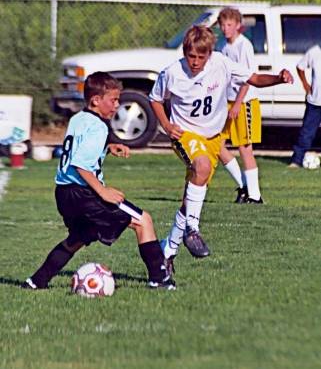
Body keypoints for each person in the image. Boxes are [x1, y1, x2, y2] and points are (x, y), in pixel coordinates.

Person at [149, 25, 293, 268]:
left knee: (189, 200)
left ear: (210, 54)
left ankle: (167, 251)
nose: (194, 62)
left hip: (213, 139)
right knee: (202, 166)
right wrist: (166, 124)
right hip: (186, 135)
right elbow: (154, 98)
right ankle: (192, 230)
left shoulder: (221, 63)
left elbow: (253, 78)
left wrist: (278, 78)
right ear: (184, 52)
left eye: (200, 57)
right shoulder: (172, 73)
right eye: (190, 56)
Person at [21, 71, 175, 291]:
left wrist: (107, 148)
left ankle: (36, 281)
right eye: (113, 100)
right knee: (143, 220)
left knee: (78, 239)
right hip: (84, 194)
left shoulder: (78, 118)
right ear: (96, 100)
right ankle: (159, 279)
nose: (117, 105)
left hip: (64, 193)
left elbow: (78, 149)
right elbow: (80, 164)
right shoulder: (99, 126)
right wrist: (102, 191)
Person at [218, 7, 263, 203]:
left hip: (243, 102)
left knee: (245, 148)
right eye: (222, 25)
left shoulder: (244, 46)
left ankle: (255, 195)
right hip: (226, 101)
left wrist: (237, 103)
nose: (225, 28)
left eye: (229, 25)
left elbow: (248, 78)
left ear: (238, 26)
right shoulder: (222, 45)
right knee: (217, 145)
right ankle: (243, 185)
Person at [289, 44, 321, 167]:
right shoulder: (314, 51)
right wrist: (305, 84)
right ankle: (296, 161)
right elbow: (300, 67)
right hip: (315, 102)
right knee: (306, 133)